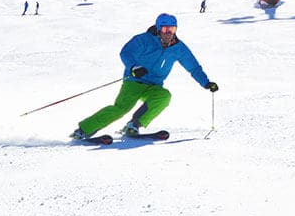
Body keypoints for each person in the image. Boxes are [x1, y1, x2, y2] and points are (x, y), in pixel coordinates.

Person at [73, 13, 218, 139]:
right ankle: (83, 130)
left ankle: (134, 125)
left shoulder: (178, 48)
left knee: (164, 97)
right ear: (158, 28)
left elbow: (193, 67)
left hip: (154, 86)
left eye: (172, 29)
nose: (168, 32)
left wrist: (206, 83)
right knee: (121, 108)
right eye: (165, 29)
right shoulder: (144, 39)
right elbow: (126, 52)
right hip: (134, 81)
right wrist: (134, 67)